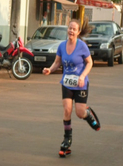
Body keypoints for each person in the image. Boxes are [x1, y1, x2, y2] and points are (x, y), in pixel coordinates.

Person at [42, 17, 100, 157]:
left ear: (78, 32)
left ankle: (87, 113)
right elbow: (57, 63)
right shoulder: (62, 46)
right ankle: (66, 139)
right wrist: (50, 70)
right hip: (67, 83)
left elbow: (89, 63)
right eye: (70, 28)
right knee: (67, 109)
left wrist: (82, 76)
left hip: (80, 84)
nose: (71, 31)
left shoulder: (82, 46)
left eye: (74, 29)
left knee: (79, 113)